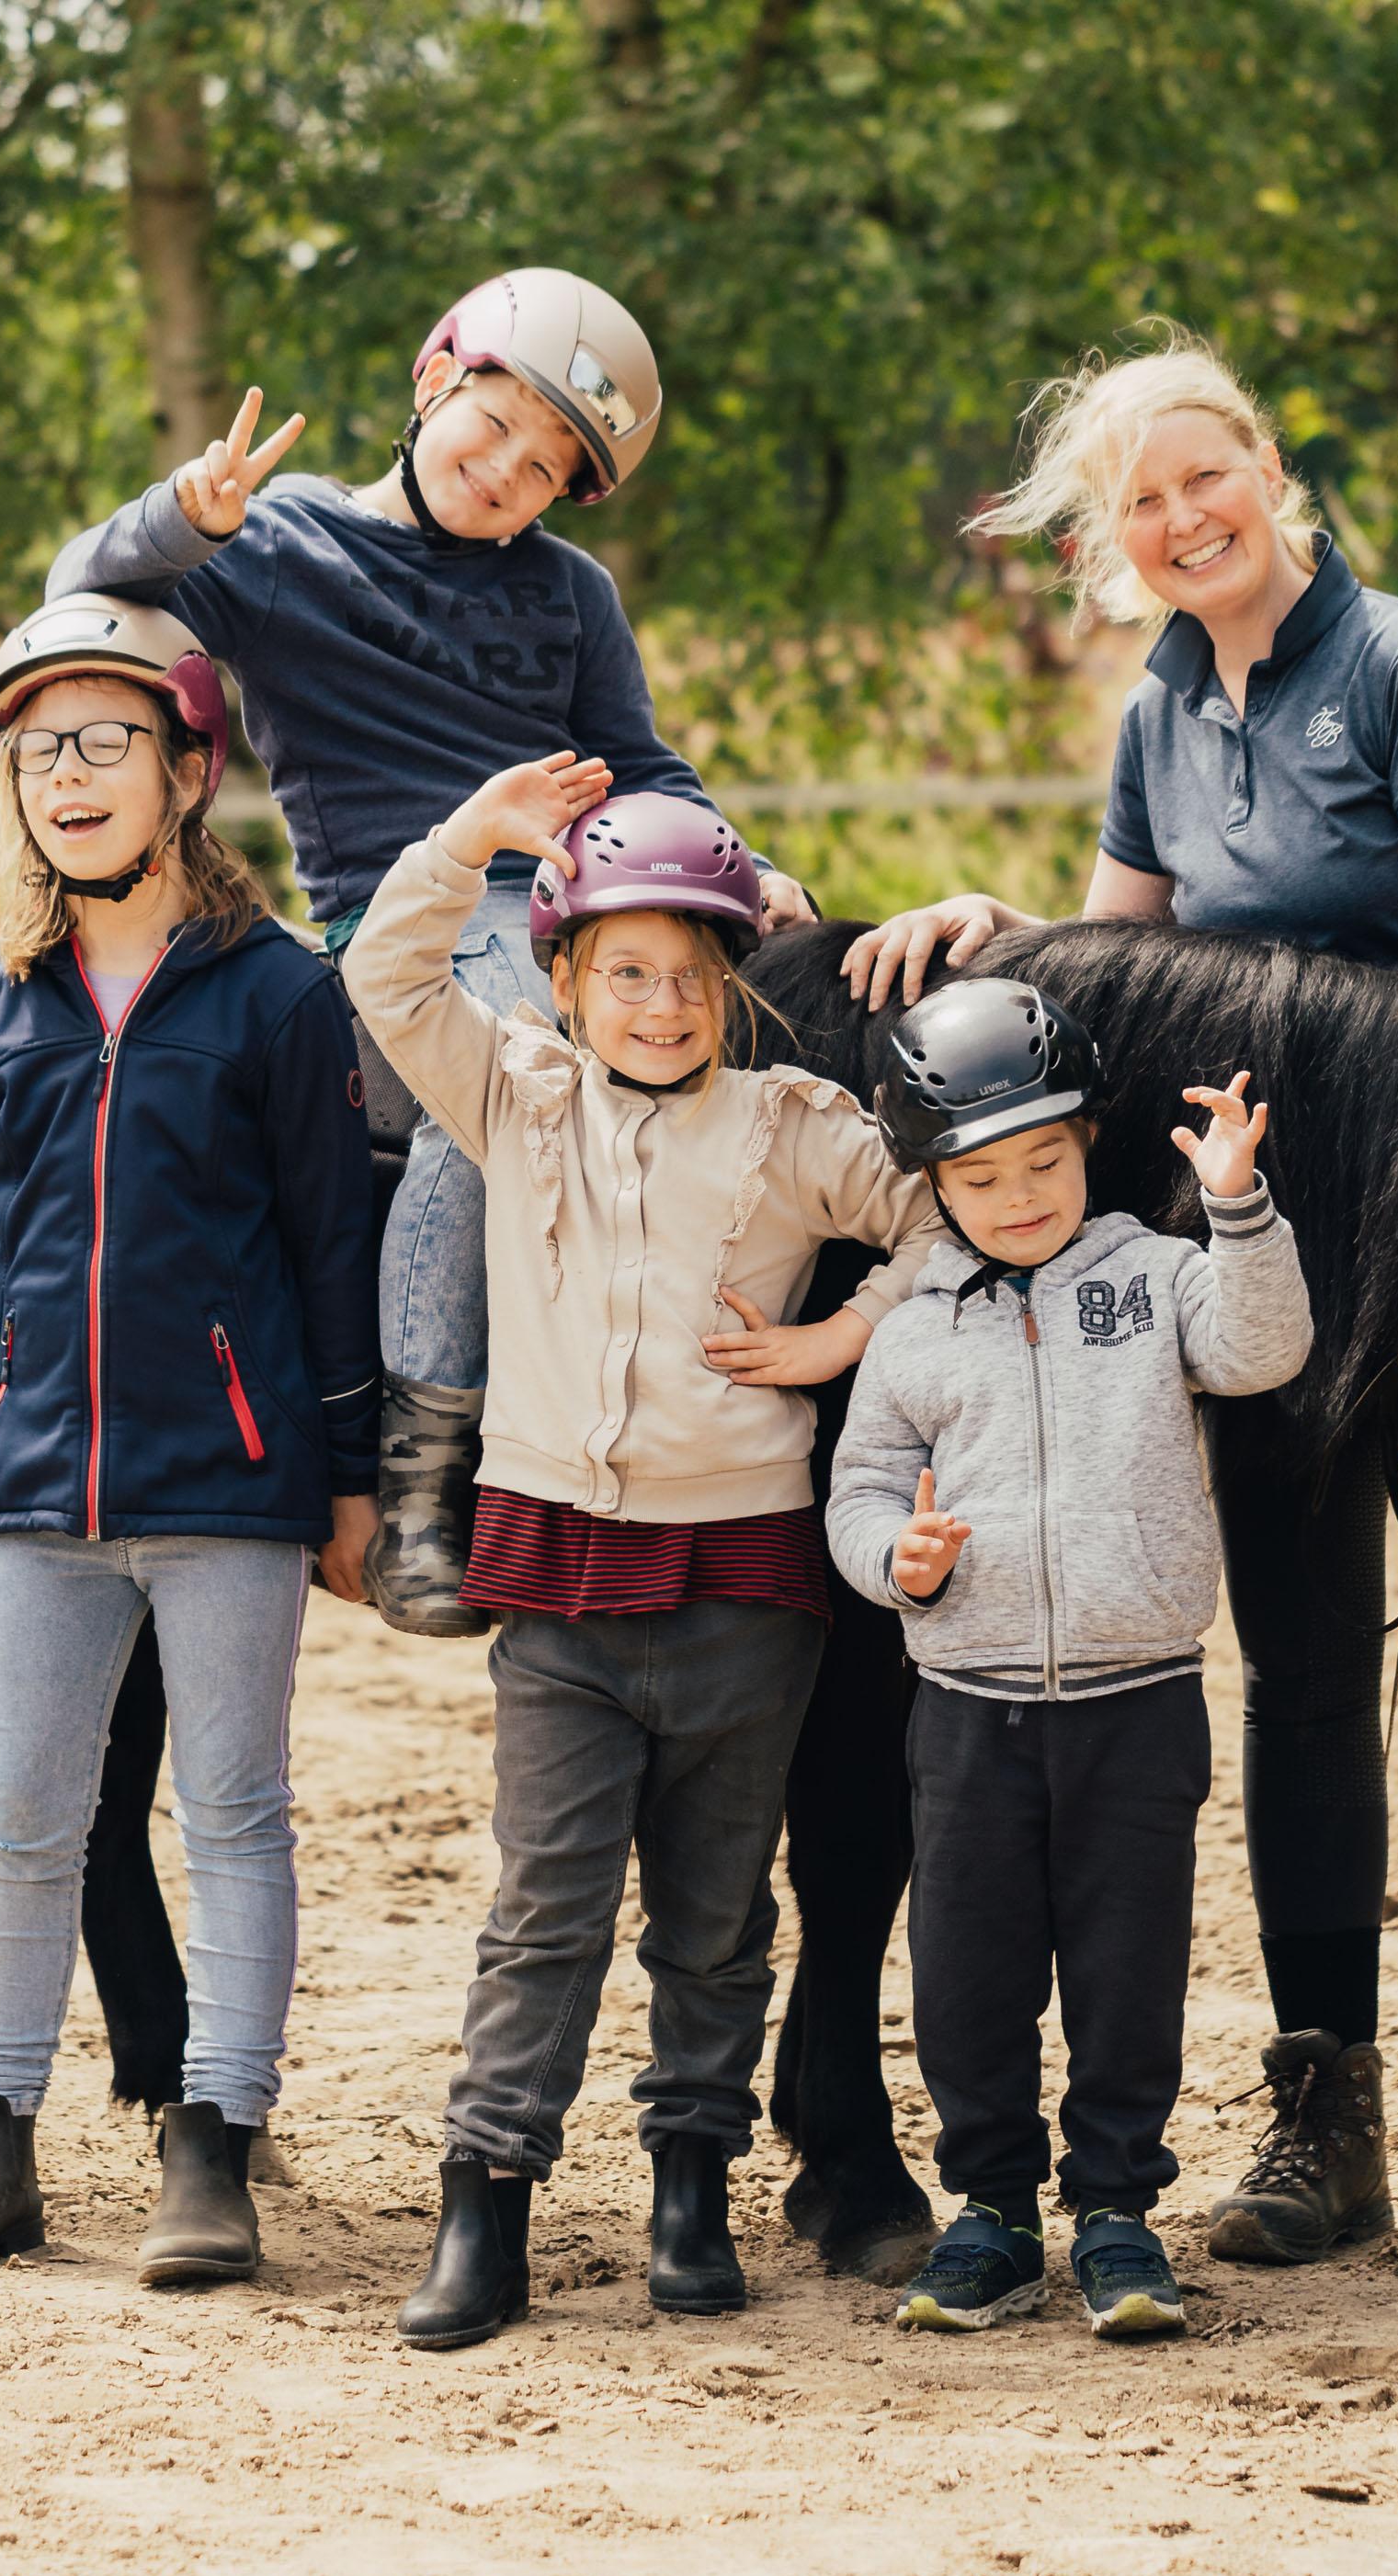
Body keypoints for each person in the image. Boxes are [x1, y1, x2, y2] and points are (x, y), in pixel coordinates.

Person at [840, 331, 1398, 2304]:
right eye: (1140, 504)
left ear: (1268, 475)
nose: (1181, 521)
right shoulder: (1165, 703)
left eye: (1205, 478)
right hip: (1274, 1268)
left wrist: (1265, 1018)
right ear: (1116, 545)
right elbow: (1127, 967)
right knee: (1305, 1683)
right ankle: (1326, 2118)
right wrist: (989, 940)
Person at [50, 268, 815, 1643]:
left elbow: (640, 763)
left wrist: (741, 866)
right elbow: (80, 593)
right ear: (430, 382)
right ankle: (420, 1467)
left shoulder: (570, 597)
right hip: (405, 915)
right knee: (513, 1080)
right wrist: (184, 519)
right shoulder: (278, 546)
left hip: (580, 904)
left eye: (543, 472)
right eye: (496, 428)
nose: (505, 474)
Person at [343, 770, 947, 2349]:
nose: (663, 1004)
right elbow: (386, 975)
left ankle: (693, 2184)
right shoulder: (516, 1097)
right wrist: (471, 834)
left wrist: (833, 1339)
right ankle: (487, 2202)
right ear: (564, 980)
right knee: (544, 1908)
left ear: (730, 983)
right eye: (626, 972)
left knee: (716, 1912)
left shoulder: (794, 1128)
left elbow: (949, 1226)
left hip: (745, 1583)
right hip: (558, 1581)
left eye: (692, 974)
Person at [0, 595, 381, 2288]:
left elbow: (331, 1254)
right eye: (38, 749)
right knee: (23, 1813)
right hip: (33, 1491)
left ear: (185, 770)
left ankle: (213, 2146)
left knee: (235, 1811)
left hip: (229, 1492)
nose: (68, 776)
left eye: (106, 743)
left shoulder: (278, 1000)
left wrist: (348, 1472)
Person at [824, 981, 1311, 2338]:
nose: (1021, 1193)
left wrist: (1236, 1203)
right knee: (967, 1972)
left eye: (1046, 1159)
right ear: (934, 1182)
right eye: (982, 1174)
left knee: (1125, 1971)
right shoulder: (915, 1329)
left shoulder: (1156, 1282)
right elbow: (860, 1488)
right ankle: (989, 2212)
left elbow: (1266, 1348)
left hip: (1140, 1698)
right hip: (967, 1710)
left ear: (1091, 1141)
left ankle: (1115, 2214)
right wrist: (891, 1559)